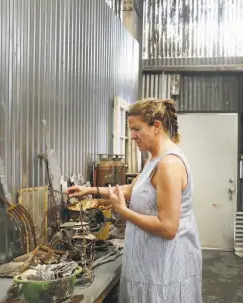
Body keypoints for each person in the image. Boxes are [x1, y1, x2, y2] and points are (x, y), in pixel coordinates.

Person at [66, 98, 202, 302]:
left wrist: (123, 211)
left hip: (166, 265)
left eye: (136, 129)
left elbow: (168, 228)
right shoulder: (154, 158)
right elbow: (133, 188)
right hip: (149, 262)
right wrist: (90, 190)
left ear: (156, 126)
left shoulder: (169, 164)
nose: (132, 136)